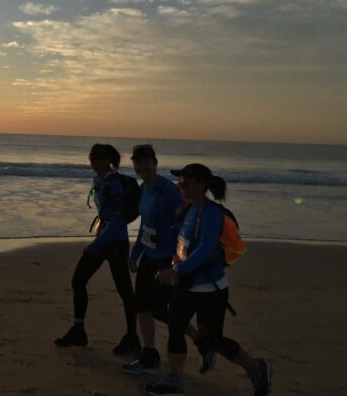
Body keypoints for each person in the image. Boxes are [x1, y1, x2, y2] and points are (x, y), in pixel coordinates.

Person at [146, 163, 271, 396]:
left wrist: (176, 271)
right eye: (180, 181)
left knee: (212, 340)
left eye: (187, 181)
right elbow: (184, 243)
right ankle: (174, 379)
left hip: (210, 289)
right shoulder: (188, 208)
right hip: (187, 284)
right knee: (176, 328)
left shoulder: (211, 213)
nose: (181, 185)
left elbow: (204, 249)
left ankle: (255, 366)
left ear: (202, 185)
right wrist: (175, 262)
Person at [54, 144, 141, 357]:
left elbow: (119, 221)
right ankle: (78, 330)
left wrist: (96, 246)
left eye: (100, 158)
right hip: (104, 240)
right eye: (92, 158)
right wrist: (98, 241)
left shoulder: (113, 184)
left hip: (115, 243)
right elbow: (107, 216)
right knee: (78, 280)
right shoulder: (100, 180)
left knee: (124, 291)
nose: (95, 162)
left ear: (109, 160)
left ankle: (132, 337)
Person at [121, 145, 183, 375]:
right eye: (138, 163)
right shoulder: (142, 189)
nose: (142, 167)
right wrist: (134, 253)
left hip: (167, 258)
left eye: (146, 162)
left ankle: (201, 339)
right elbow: (146, 225)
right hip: (149, 255)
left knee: (162, 310)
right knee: (142, 306)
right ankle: (149, 354)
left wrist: (178, 260)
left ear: (155, 163)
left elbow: (184, 219)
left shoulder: (165, 188)